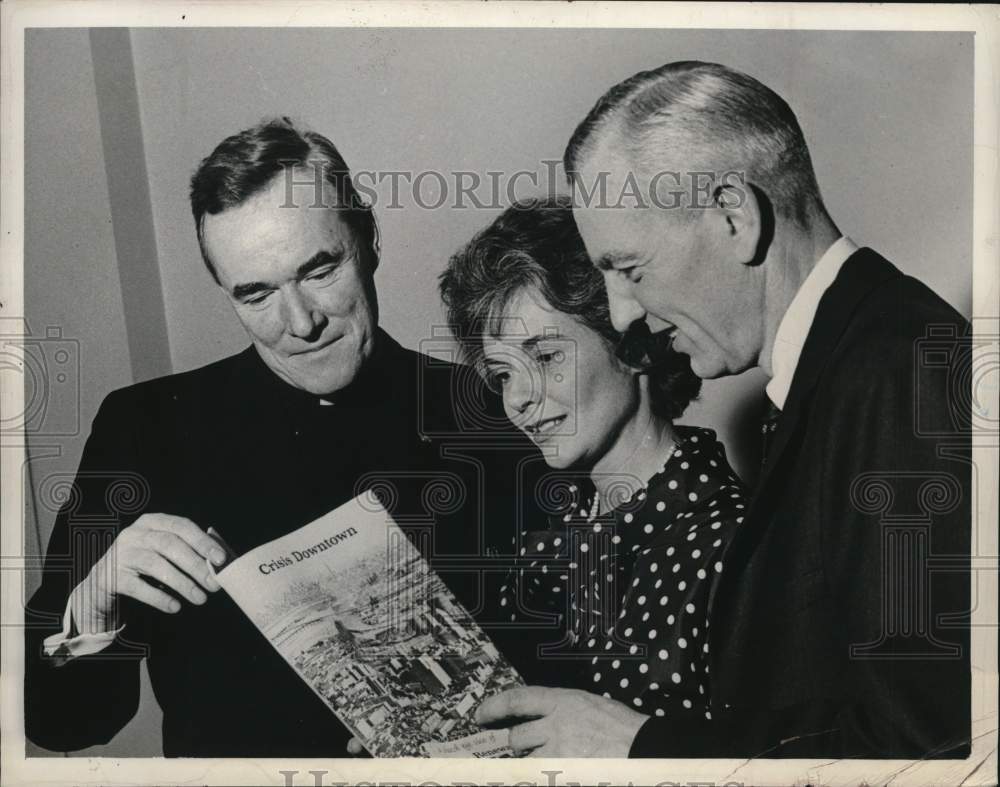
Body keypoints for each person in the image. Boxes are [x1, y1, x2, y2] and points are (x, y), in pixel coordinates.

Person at [477, 61, 971, 758]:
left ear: (736, 217)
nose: (622, 314)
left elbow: (934, 749)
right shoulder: (851, 368)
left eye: (631, 269)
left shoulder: (903, 374)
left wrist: (641, 747)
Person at [24, 118, 544, 756]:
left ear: (369, 240)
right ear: (225, 292)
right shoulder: (143, 427)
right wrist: (94, 608)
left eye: (320, 270)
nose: (300, 323)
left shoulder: (493, 413)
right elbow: (62, 724)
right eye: (256, 294)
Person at [440, 196, 748, 756]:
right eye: (503, 373)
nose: (519, 398)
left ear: (631, 346)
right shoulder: (546, 541)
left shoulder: (736, 541)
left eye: (546, 357)